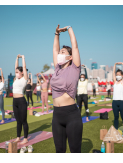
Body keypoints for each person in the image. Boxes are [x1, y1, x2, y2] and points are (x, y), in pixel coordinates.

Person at [50, 24, 83, 153]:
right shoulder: (57, 68)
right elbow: (54, 49)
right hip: (57, 116)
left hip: (71, 115)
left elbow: (74, 46)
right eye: (60, 52)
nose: (59, 54)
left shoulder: (75, 68)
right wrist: (57, 33)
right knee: (59, 151)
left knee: (74, 151)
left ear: (70, 57)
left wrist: (69, 29)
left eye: (62, 52)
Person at [13, 54, 28, 144]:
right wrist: (16, 58)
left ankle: (25, 138)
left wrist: (22, 58)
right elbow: (16, 67)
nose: (16, 73)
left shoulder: (24, 79)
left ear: (22, 73)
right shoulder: (16, 79)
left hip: (21, 101)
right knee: (18, 121)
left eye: (18, 72)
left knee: (23, 121)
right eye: (16, 72)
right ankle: (18, 137)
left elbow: (24, 67)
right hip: (15, 101)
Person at [112, 62, 123, 136]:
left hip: (122, 102)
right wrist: (115, 65)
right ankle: (116, 130)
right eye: (117, 75)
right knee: (116, 117)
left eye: (119, 75)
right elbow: (113, 72)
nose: (118, 76)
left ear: (122, 76)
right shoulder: (115, 82)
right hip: (115, 102)